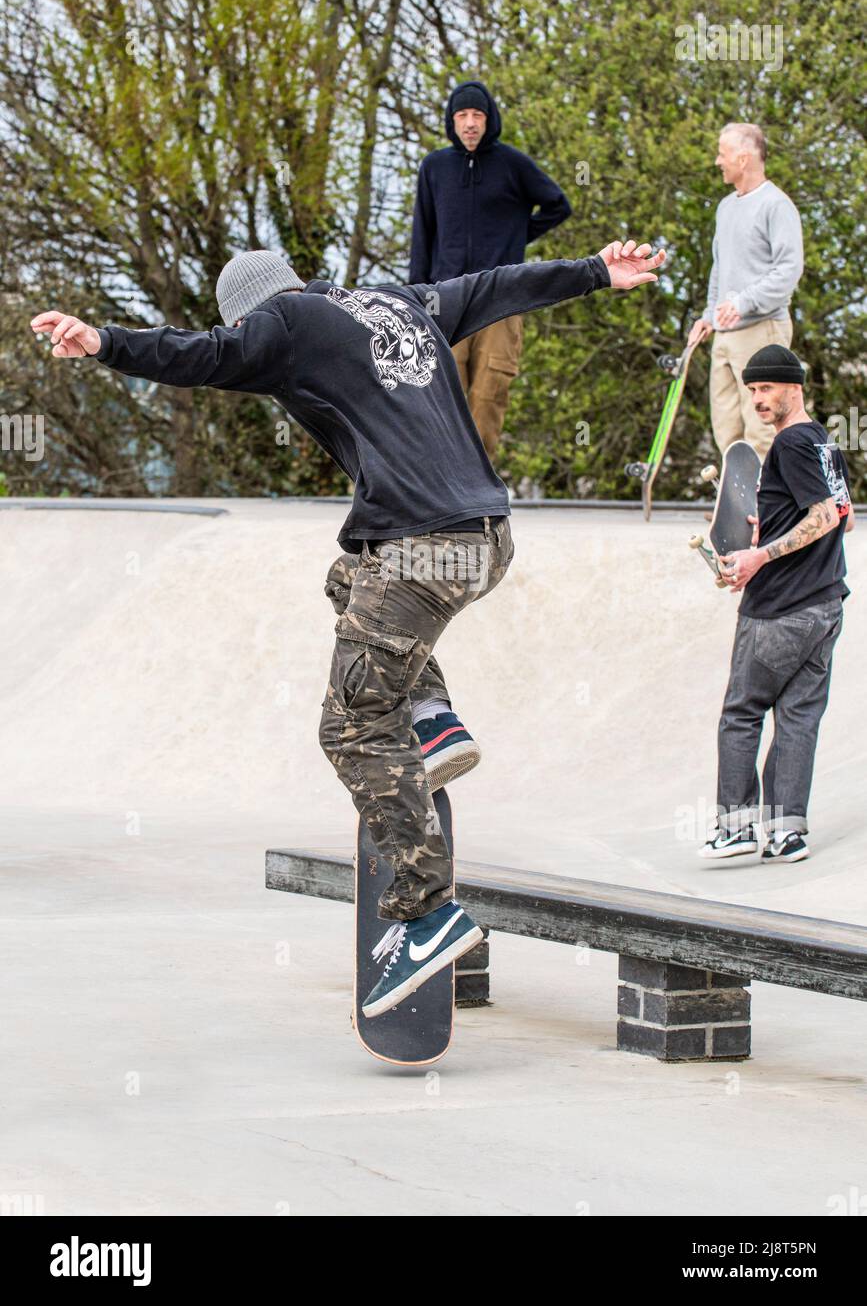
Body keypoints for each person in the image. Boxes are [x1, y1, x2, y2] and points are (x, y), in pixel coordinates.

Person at [31, 237, 665, 1016]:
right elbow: (497, 283)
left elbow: (200, 356)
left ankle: (427, 911)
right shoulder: (398, 300)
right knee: (347, 580)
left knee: (353, 725)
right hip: (486, 538)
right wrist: (595, 271)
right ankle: (431, 720)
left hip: (424, 552)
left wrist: (103, 342)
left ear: (253, 309)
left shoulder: (281, 325)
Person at [699, 345, 853, 866]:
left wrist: (756, 558)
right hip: (826, 603)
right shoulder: (823, 444)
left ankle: (737, 826)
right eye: (752, 391)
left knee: (741, 714)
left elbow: (826, 518)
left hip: (780, 609)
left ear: (794, 386)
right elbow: (844, 514)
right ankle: (787, 831)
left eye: (766, 389)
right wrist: (766, 527)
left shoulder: (789, 444)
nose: (758, 400)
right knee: (798, 717)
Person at [410, 80, 572, 461]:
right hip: (445, 301)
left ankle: (479, 486)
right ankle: (442, 485)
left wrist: (514, 240)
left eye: (477, 116)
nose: (469, 123)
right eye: (462, 116)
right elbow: (423, 232)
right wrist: (415, 297)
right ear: (452, 121)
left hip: (500, 297)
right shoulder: (434, 168)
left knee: (488, 393)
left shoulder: (512, 164)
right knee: (441, 393)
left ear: (489, 120)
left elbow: (557, 205)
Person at [687, 123, 803, 460]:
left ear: (743, 158)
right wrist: (709, 316)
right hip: (725, 334)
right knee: (726, 428)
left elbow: (788, 270)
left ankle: (766, 508)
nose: (716, 161)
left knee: (762, 427)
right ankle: (736, 508)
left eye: (722, 154)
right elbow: (719, 268)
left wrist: (744, 301)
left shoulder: (776, 205)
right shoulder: (726, 207)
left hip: (761, 329)